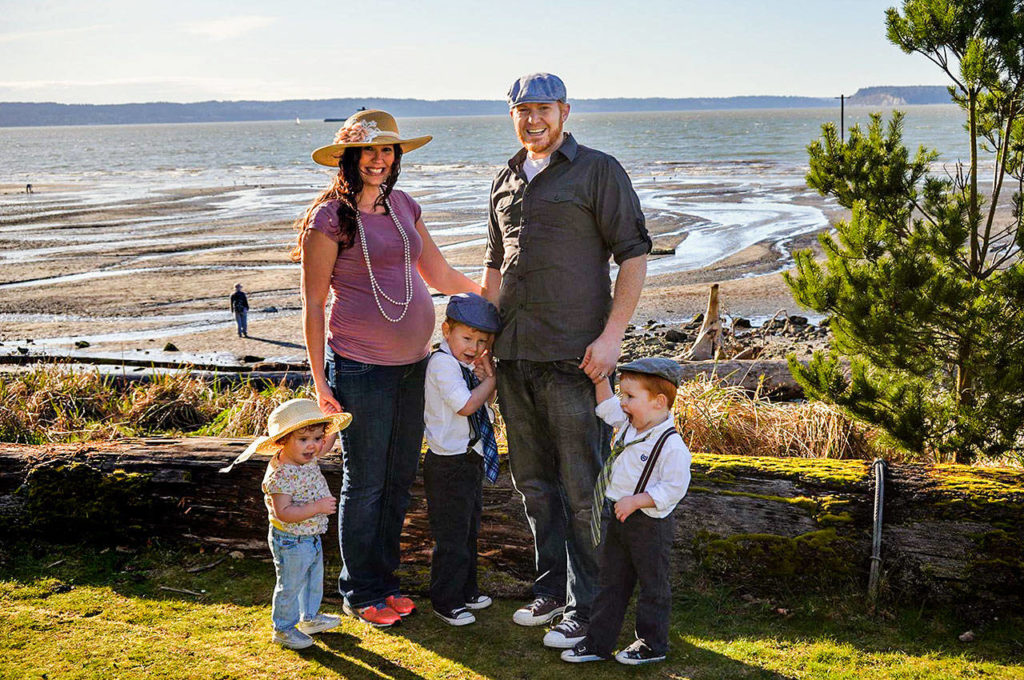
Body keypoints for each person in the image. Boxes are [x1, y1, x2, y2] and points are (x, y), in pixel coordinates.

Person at [482, 72, 651, 648]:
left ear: (565, 111)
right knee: (533, 483)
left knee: (583, 489)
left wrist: (612, 338)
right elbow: (494, 268)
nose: (534, 119)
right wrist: (480, 339)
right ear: (512, 115)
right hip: (513, 358)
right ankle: (552, 590)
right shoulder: (504, 180)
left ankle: (592, 606)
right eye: (523, 109)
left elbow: (632, 255)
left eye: (545, 109)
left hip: (576, 361)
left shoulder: (598, 170)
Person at [295, 109, 483, 628]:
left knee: (399, 480)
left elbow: (439, 272)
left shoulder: (403, 206)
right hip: (360, 367)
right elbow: (313, 304)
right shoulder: (330, 217)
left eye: (388, 150)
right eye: (370, 150)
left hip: (413, 365)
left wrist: (491, 301)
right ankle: (361, 591)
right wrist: (319, 380)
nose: (380, 159)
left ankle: (386, 583)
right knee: (367, 481)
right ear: (350, 157)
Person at [562, 358, 690, 665]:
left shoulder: (671, 445)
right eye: (623, 395)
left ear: (659, 402)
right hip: (618, 518)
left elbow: (674, 486)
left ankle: (651, 644)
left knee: (652, 586)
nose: (623, 403)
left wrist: (638, 500)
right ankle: (598, 642)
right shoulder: (631, 424)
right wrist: (598, 380)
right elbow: (607, 408)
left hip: (649, 525)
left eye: (630, 397)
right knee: (611, 582)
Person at [219, 398, 353, 650]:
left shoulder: (305, 456)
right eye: (304, 440)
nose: (313, 446)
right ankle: (282, 628)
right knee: (290, 585)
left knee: (313, 578)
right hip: (291, 538)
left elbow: (324, 446)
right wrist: (317, 507)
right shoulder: (280, 475)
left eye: (316, 437)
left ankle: (309, 617)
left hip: (310, 534)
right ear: (283, 441)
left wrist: (332, 427)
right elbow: (284, 512)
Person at [422, 293, 501, 626]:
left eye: (482, 340)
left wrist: (486, 376)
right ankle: (445, 599)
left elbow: (485, 400)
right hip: (447, 466)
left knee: (469, 530)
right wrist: (493, 380)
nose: (473, 346)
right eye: (467, 337)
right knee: (451, 537)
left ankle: (467, 589)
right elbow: (467, 405)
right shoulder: (442, 364)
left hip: (469, 458)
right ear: (446, 330)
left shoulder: (464, 364)